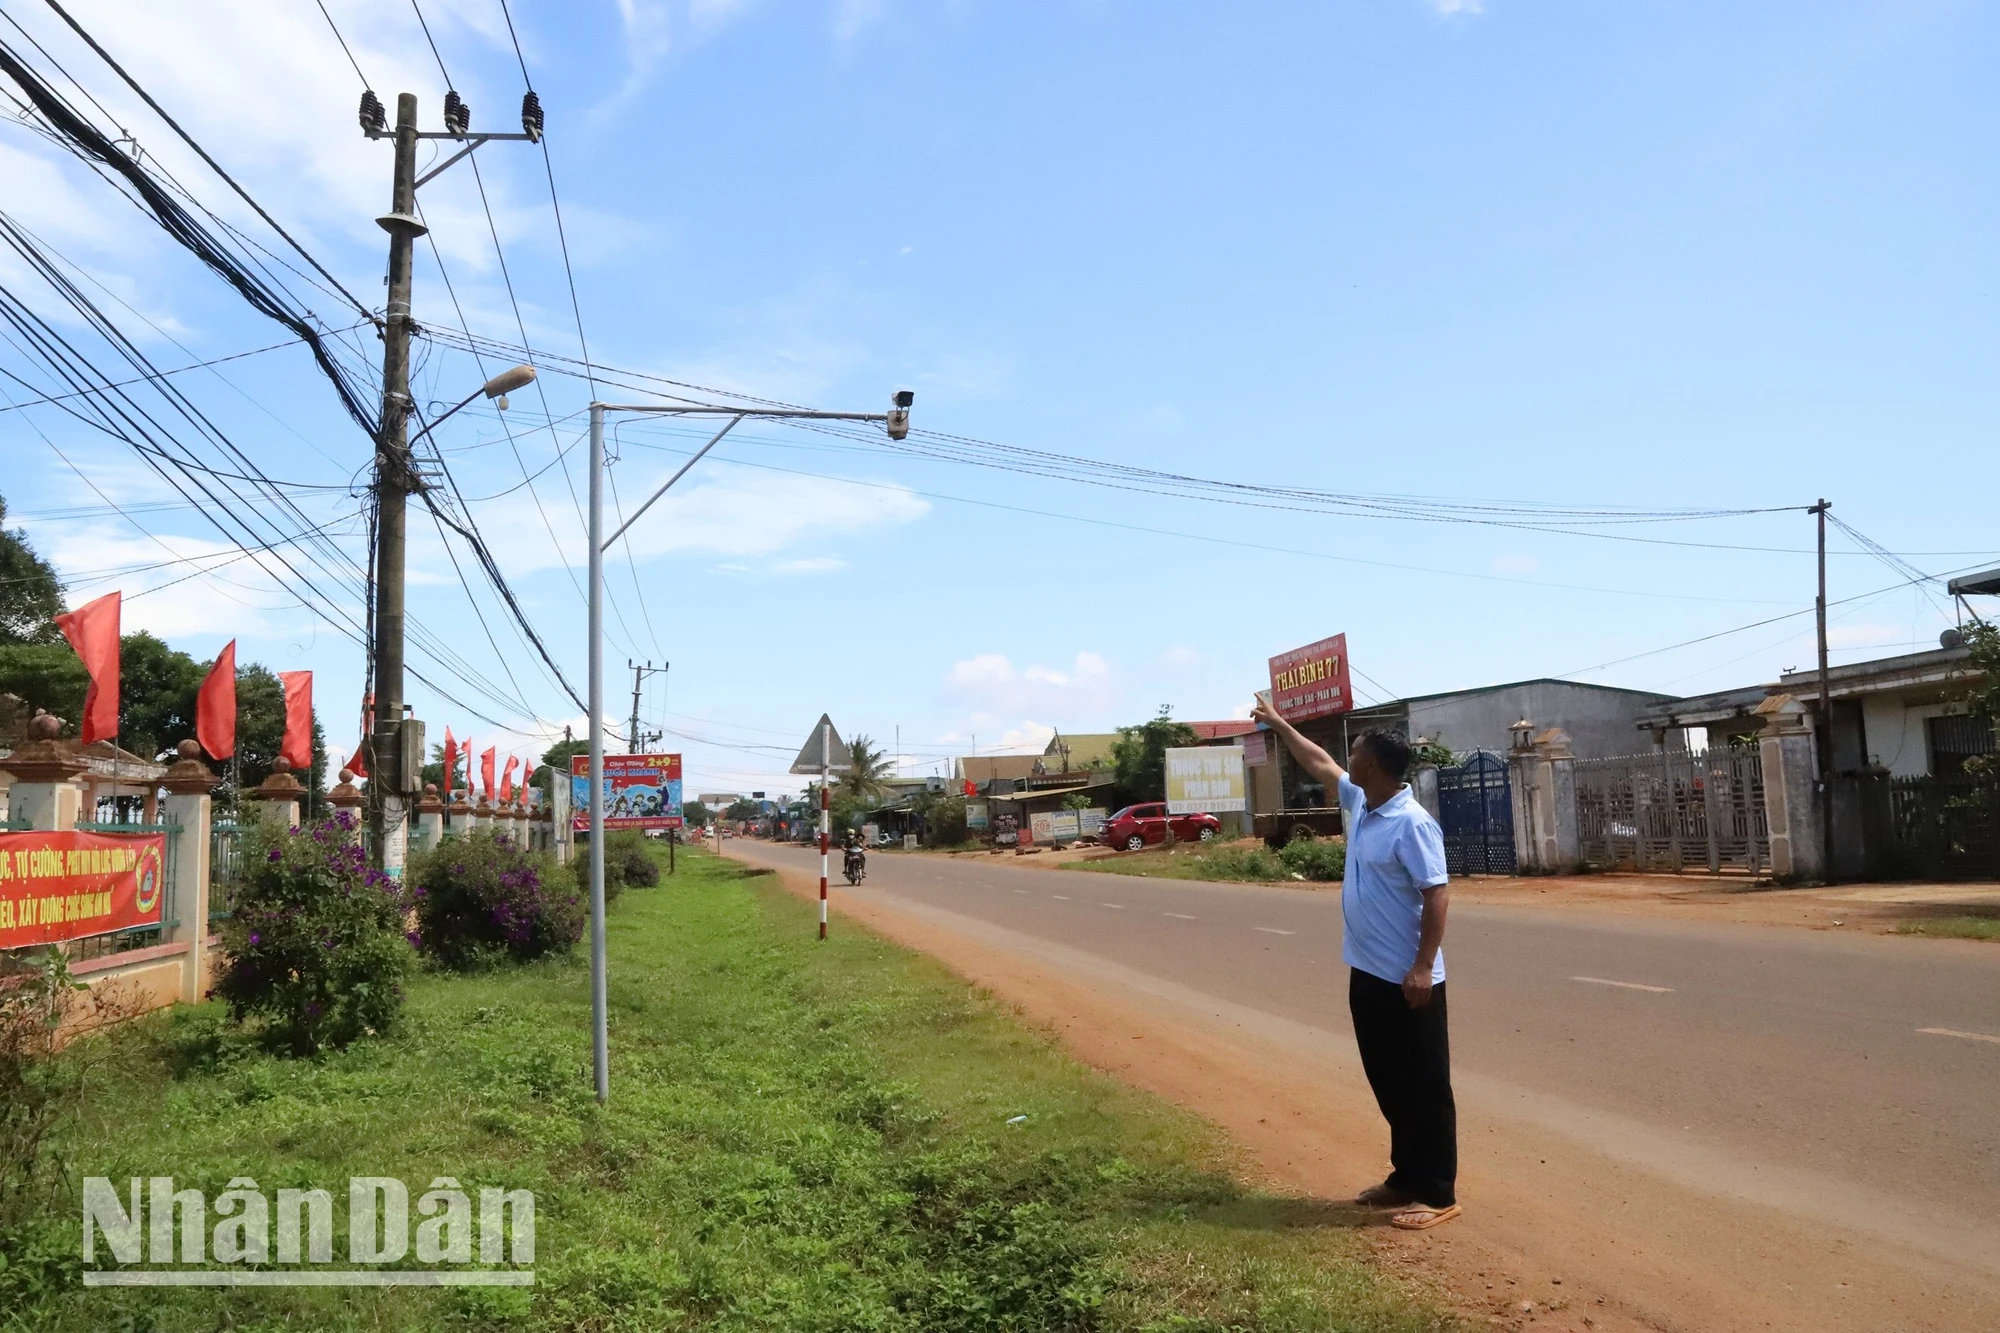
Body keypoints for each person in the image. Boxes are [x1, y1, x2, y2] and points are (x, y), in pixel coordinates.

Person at [1250, 698, 1459, 1231]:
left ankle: (1437, 1193)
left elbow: (1437, 895)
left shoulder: (1410, 823)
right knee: (1388, 1081)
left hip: (1409, 980)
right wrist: (1279, 724)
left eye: (1357, 750)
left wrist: (1421, 967)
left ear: (1373, 765)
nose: (1349, 756)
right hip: (1367, 974)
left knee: (1425, 1086)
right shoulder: (1364, 804)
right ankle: (1405, 1177)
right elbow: (1319, 762)